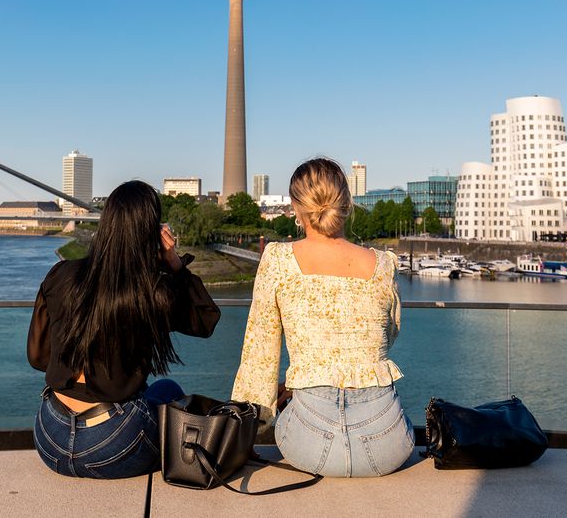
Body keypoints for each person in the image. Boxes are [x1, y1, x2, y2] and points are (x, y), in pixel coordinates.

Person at [231, 158, 413, 477]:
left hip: (311, 446)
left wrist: (250, 426)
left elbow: (259, 357)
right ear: (347, 203)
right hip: (388, 446)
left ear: (295, 209)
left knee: (288, 416)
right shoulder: (384, 265)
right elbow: (390, 333)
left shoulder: (277, 260)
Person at [27, 180, 221, 479]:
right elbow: (206, 320)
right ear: (152, 232)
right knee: (167, 390)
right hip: (111, 447)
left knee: (154, 392)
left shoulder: (60, 275)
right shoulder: (150, 292)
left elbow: (39, 359)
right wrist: (173, 262)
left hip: (49, 437)